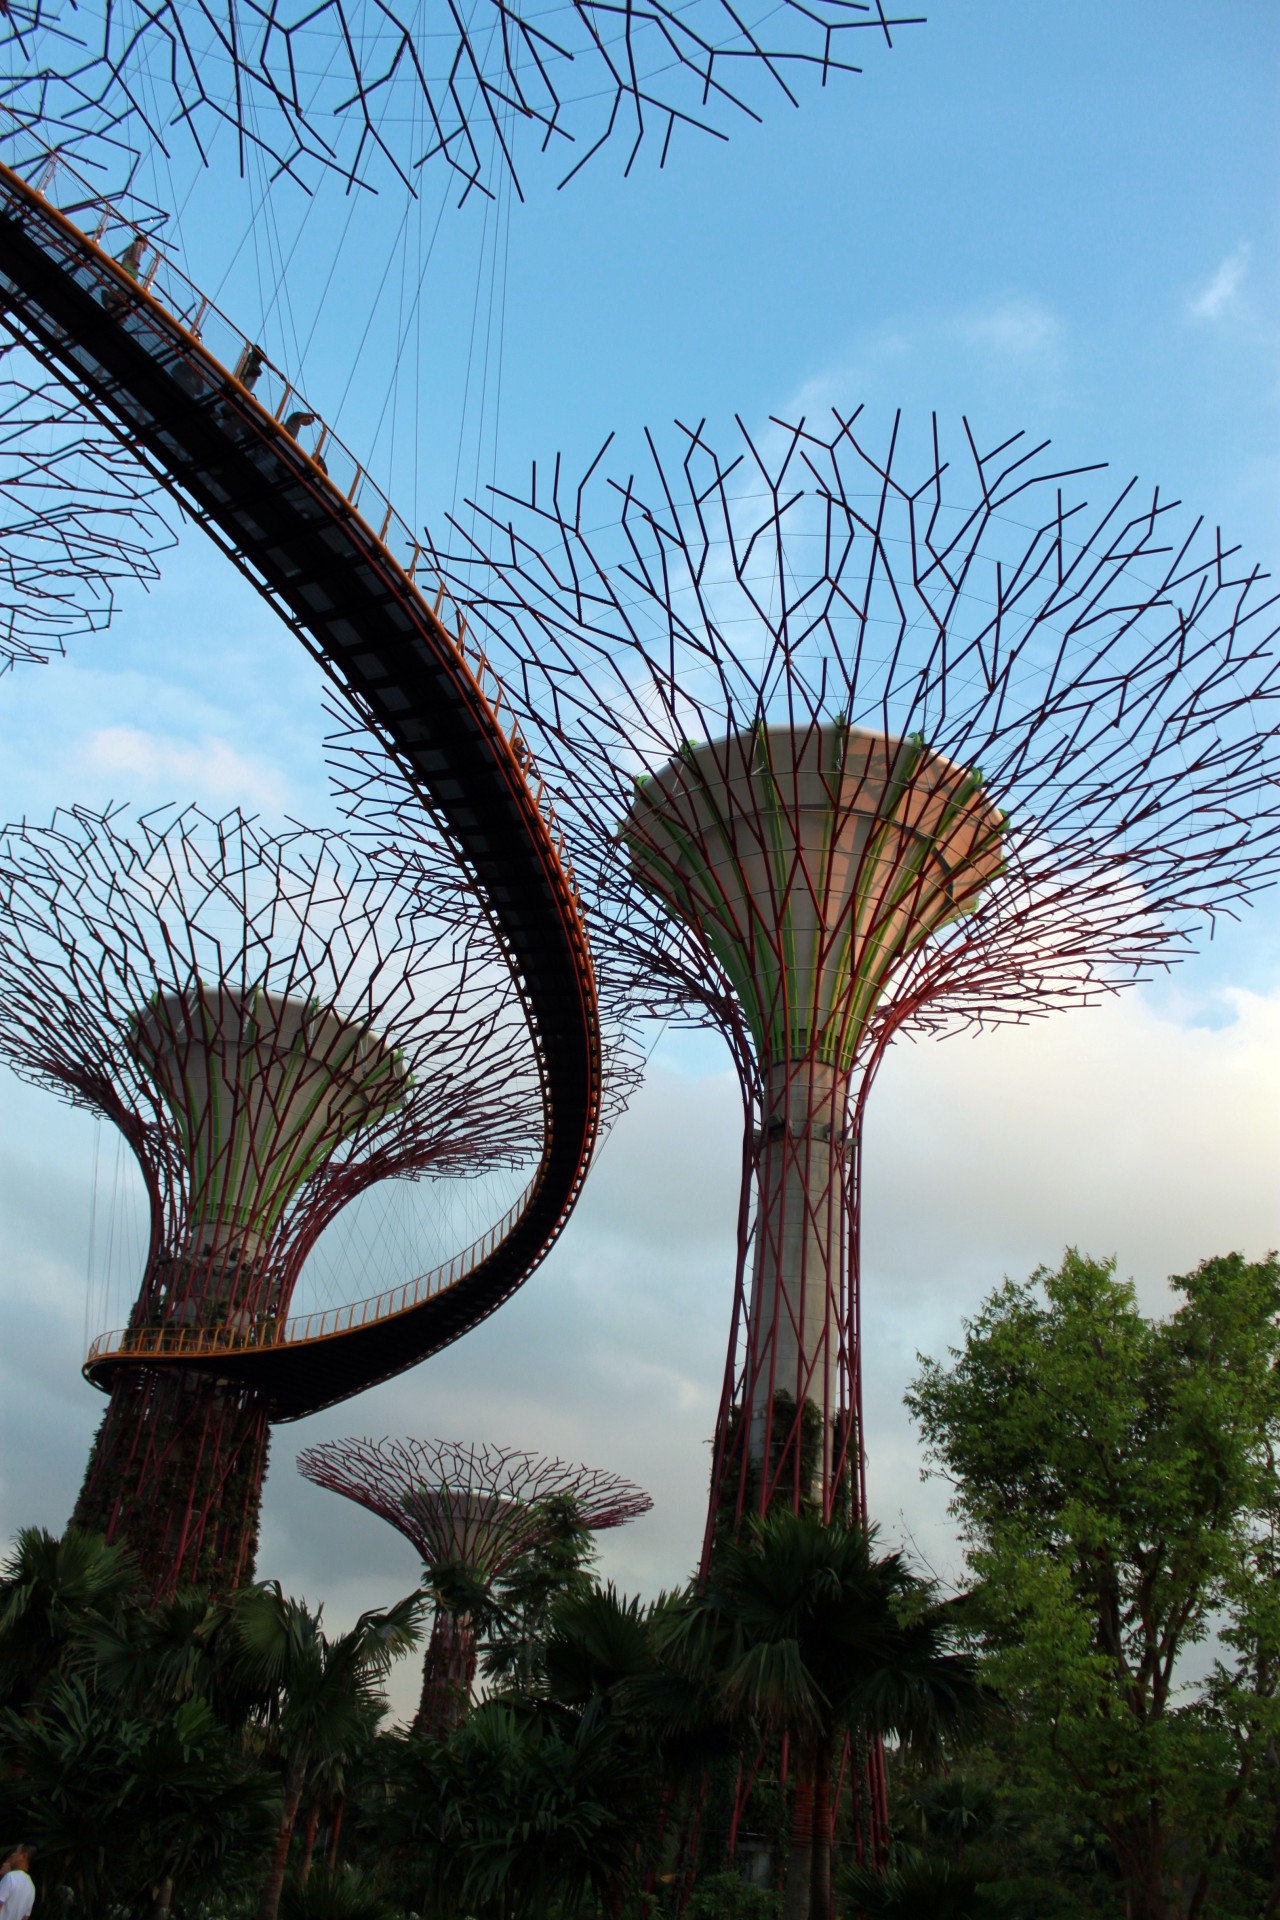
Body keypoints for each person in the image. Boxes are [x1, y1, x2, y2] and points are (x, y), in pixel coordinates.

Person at [0, 1845, 35, 1920]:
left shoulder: (10, 1877)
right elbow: (25, 1918)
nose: (13, 1855)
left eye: (16, 1852)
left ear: (23, 1856)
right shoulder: (31, 1888)